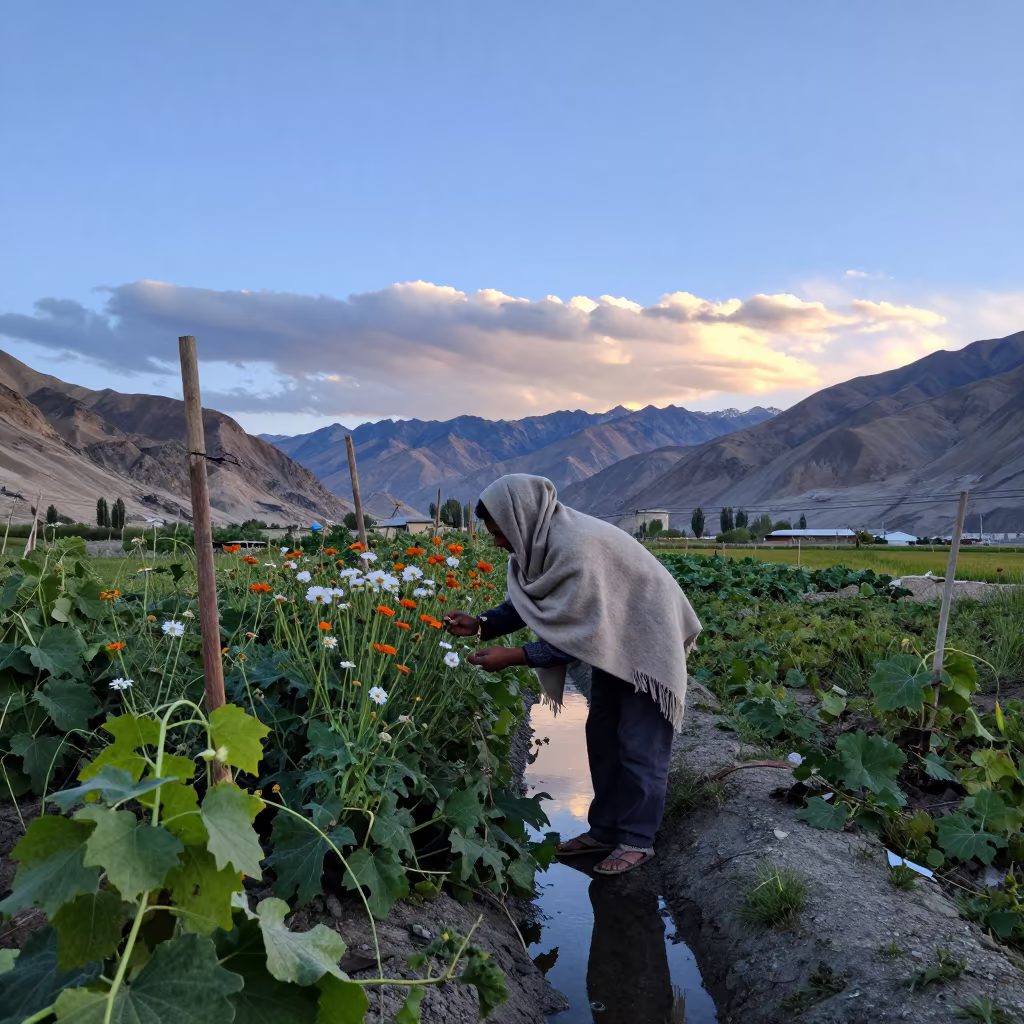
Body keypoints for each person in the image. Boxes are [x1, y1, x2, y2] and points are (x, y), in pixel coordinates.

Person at [444, 473, 701, 876]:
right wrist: (481, 623)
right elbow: (527, 603)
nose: (496, 541)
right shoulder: (539, 545)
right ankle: (605, 830)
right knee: (603, 735)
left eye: (498, 533)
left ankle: (637, 839)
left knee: (639, 743)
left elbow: (580, 634)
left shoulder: (573, 547)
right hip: (615, 642)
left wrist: (514, 656)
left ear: (518, 520)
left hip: (647, 641)